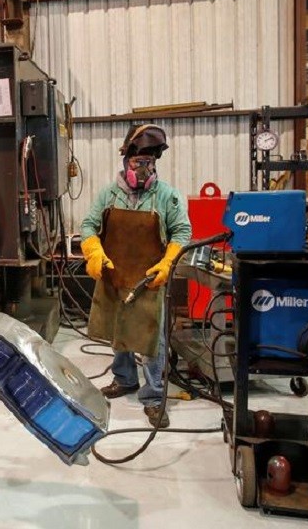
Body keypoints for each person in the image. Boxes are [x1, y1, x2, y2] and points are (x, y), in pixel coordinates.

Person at [79, 124, 191, 428]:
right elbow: (88, 225)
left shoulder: (167, 196)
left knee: (152, 340)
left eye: (149, 163)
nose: (143, 170)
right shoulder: (109, 193)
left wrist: (168, 262)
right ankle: (125, 379)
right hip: (116, 274)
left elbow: (183, 231)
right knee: (120, 333)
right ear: (126, 161)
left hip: (149, 279)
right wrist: (93, 253)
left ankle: (154, 396)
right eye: (137, 163)